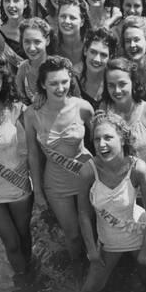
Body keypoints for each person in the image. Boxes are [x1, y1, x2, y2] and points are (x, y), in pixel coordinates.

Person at [78, 111, 146, 292]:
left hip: (140, 237)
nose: (101, 144)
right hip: (108, 243)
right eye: (97, 139)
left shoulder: (138, 169)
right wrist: (91, 249)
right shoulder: (88, 171)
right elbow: (83, 214)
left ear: (122, 139)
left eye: (108, 137)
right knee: (89, 291)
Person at [24, 56, 94, 266]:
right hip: (56, 184)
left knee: (91, 230)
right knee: (72, 235)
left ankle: (97, 273)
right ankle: (78, 274)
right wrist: (38, 191)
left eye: (64, 82)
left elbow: (102, 141)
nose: (60, 87)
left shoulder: (83, 107)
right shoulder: (31, 114)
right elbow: (33, 154)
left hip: (87, 178)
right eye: (53, 83)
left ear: (70, 80)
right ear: (43, 84)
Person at [0, 53, 33, 281]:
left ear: (3, 85)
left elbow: (34, 148)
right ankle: (22, 281)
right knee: (11, 243)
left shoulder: (17, 109)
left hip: (19, 188)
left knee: (23, 235)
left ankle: (31, 272)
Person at [100, 58, 146, 186]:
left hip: (145, 184)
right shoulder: (104, 109)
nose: (117, 90)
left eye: (122, 84)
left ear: (133, 82)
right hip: (116, 186)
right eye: (111, 85)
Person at [78, 27, 118, 111]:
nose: (97, 59)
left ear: (111, 57)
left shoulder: (116, 83)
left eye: (103, 55)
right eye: (93, 52)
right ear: (85, 50)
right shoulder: (73, 80)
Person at [16, 18, 52, 106]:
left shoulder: (57, 67)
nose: (32, 48)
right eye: (27, 42)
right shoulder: (23, 68)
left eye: (37, 42)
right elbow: (20, 100)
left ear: (47, 40)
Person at [57, 0, 91, 75]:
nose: (67, 21)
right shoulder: (51, 47)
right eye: (63, 16)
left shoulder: (91, 47)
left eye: (72, 18)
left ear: (82, 21)